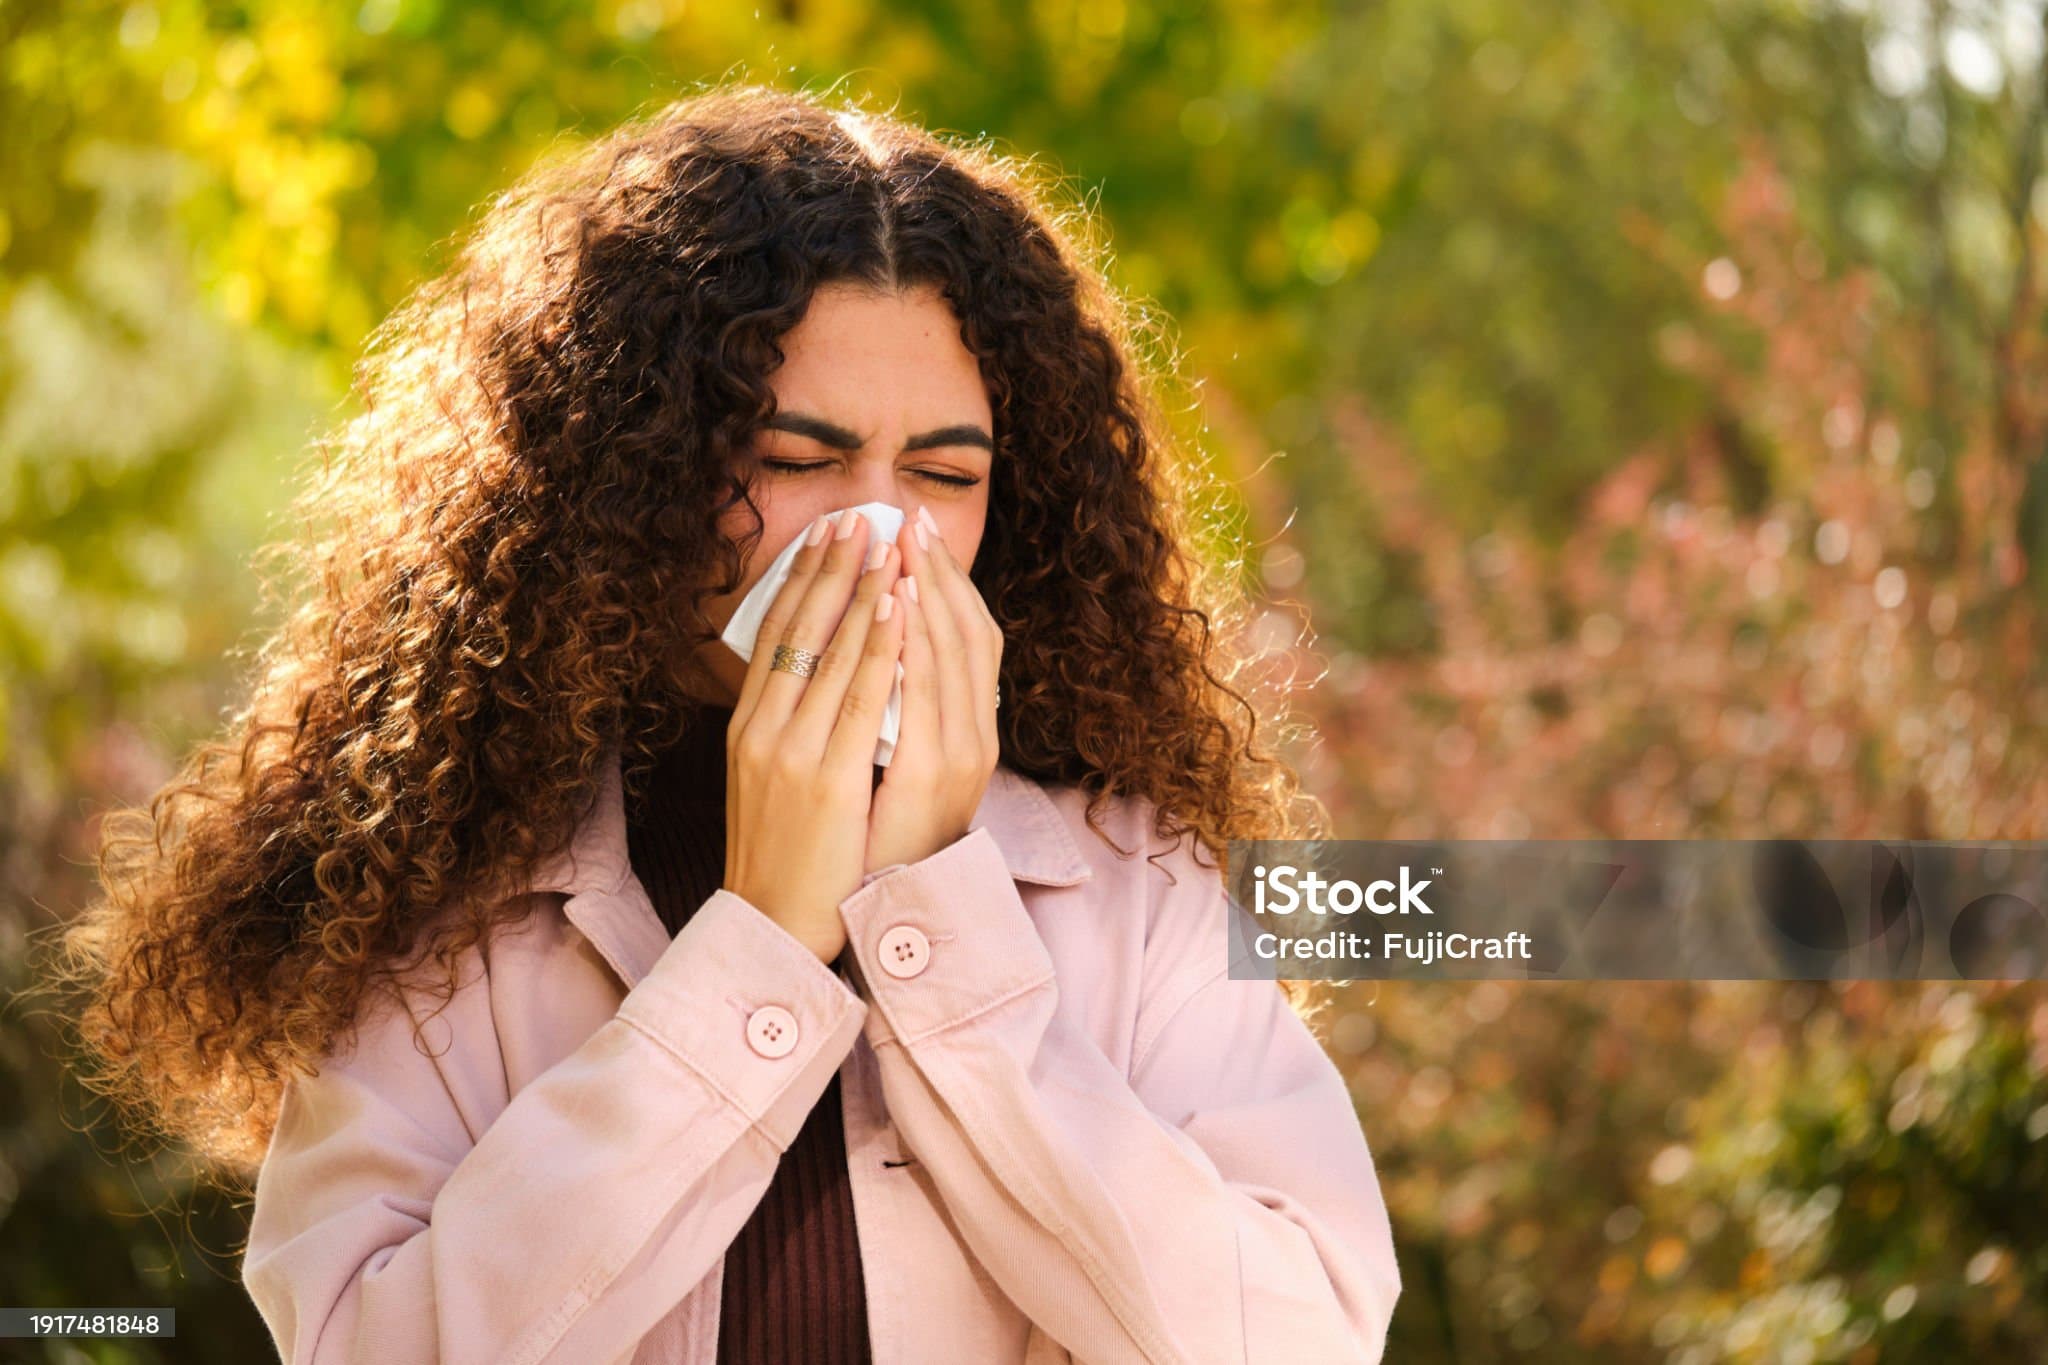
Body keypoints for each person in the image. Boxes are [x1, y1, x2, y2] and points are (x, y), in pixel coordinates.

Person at [58, 82, 1401, 1363]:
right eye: (798, 460)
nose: (879, 532)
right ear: (633, 472)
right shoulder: (441, 907)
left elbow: (1305, 1332)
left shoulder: (1130, 881)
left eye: (943, 472)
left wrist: (938, 920)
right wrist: (755, 944)